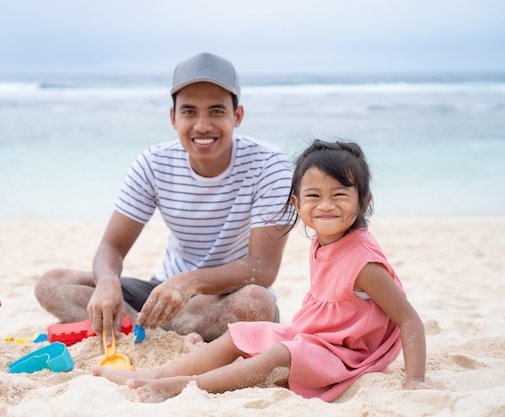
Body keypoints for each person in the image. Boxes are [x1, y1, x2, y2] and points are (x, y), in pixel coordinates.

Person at [91, 139, 430, 402]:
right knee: (241, 333)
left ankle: (185, 385)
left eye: (340, 194)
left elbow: (408, 319)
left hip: (346, 357)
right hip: (316, 340)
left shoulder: (364, 262)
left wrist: (414, 379)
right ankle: (157, 373)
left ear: (364, 202)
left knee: (276, 354)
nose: (326, 205)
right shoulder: (325, 241)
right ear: (296, 204)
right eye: (313, 195)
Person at [34, 52, 294, 343]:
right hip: (162, 296)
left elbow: (263, 267)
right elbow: (112, 246)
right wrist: (107, 283)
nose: (202, 125)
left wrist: (189, 282)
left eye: (217, 111)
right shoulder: (154, 163)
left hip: (226, 296)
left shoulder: (269, 164)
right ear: (173, 118)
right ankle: (169, 331)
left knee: (257, 303)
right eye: (189, 112)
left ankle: (147, 332)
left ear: (238, 116)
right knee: (52, 284)